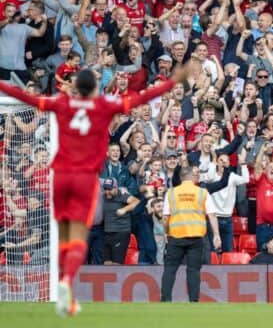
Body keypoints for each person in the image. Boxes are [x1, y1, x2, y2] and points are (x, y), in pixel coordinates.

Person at [0, 65, 188, 316]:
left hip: (61, 177)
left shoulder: (62, 104)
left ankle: (60, 280)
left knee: (63, 232)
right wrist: (172, 82)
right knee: (78, 234)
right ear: (95, 88)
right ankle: (66, 282)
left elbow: (26, 98)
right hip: (86, 179)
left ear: (76, 87)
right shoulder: (103, 106)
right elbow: (141, 98)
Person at [160, 167, 220, 302]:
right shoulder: (202, 193)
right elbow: (212, 215)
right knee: (193, 270)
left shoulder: (171, 193)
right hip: (196, 237)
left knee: (170, 269)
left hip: (176, 236)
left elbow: (165, 217)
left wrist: (166, 232)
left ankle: (165, 299)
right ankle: (193, 299)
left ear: (180, 178)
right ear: (192, 177)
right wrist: (216, 235)